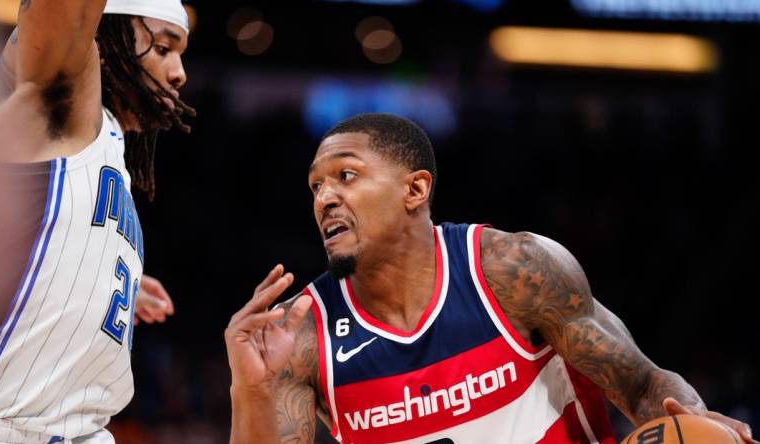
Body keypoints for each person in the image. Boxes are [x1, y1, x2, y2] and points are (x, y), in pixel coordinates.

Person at [225, 113, 756, 444]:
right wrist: (249, 389)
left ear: (415, 190)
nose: (325, 198)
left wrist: (698, 420)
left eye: (346, 176)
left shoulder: (512, 269)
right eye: (315, 186)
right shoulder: (304, 334)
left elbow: (643, 385)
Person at [0, 0, 189, 442]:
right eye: (164, 47)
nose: (180, 72)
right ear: (103, 39)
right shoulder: (55, 100)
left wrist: (105, 278)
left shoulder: (107, 154)